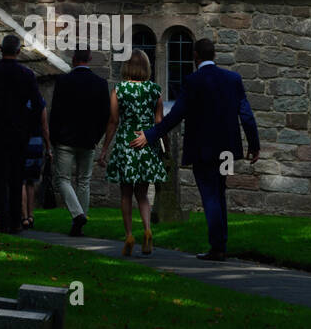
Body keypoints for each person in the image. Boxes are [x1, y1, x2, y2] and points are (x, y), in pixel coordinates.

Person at [134, 38, 260, 262]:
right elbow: (247, 115)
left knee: (210, 195)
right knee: (219, 192)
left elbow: (176, 115)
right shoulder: (233, 79)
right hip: (227, 150)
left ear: (196, 56)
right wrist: (254, 145)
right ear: (214, 55)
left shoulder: (193, 81)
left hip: (203, 149)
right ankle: (221, 244)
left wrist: (150, 134)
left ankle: (217, 248)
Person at [98, 49, 166, 257]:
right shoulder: (155, 90)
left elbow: (113, 121)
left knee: (126, 194)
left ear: (127, 67)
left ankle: (129, 235)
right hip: (146, 143)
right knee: (143, 194)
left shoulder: (119, 90)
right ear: (146, 68)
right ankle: (147, 230)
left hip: (126, 144)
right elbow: (159, 122)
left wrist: (104, 148)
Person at [0, 34, 44, 234]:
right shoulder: (27, 74)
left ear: (1, 50)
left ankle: (2, 220)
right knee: (16, 179)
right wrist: (29, 128)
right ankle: (16, 220)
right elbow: (38, 105)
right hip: (19, 135)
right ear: (18, 51)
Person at [48, 50, 110, 236]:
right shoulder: (100, 84)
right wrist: (96, 137)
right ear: (90, 59)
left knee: (63, 179)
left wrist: (53, 137)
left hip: (65, 139)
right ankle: (79, 223)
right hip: (88, 139)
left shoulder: (63, 81)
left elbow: (56, 112)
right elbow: (104, 115)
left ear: (74, 59)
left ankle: (77, 215)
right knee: (84, 181)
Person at [21, 97, 50, 229]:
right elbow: (45, 127)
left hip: (22, 142)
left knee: (21, 181)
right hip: (37, 143)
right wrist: (48, 147)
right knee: (31, 181)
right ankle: (31, 215)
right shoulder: (40, 101)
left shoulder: (18, 99)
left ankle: (24, 217)